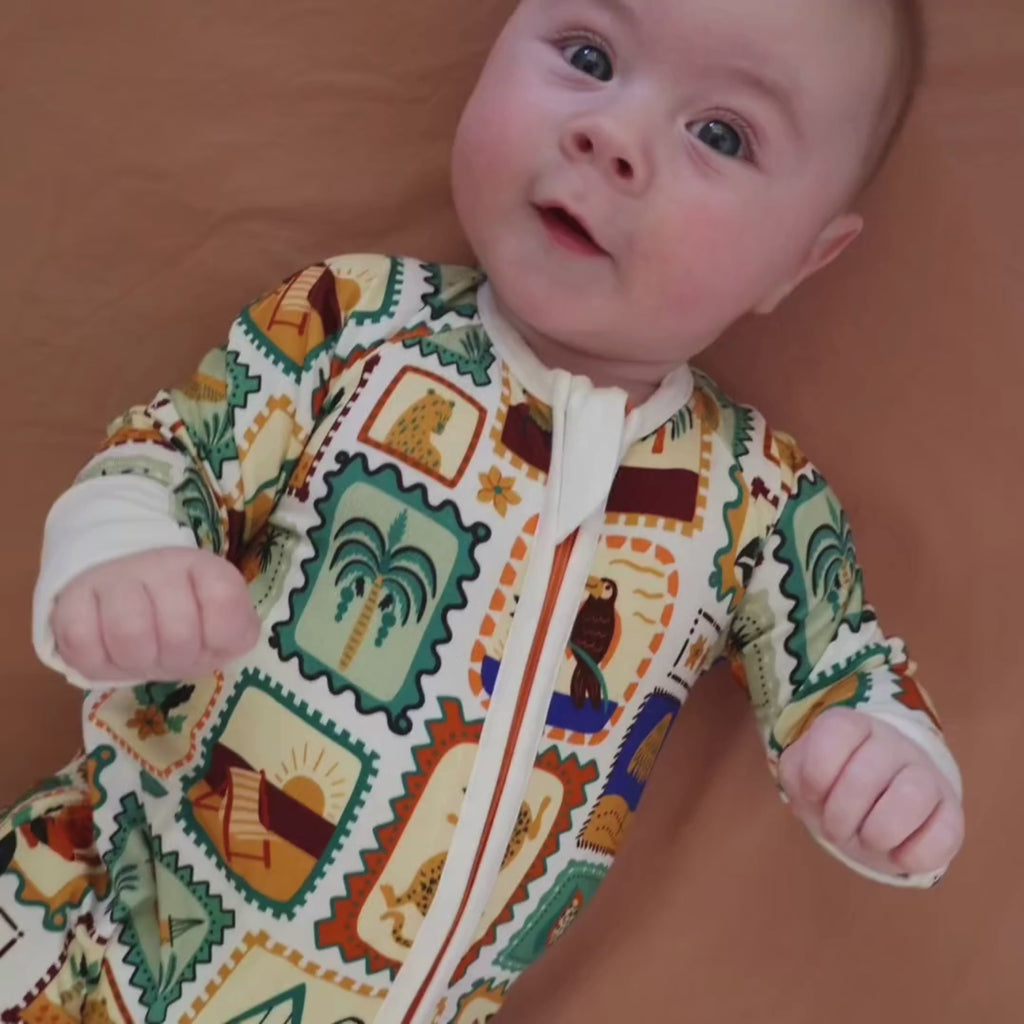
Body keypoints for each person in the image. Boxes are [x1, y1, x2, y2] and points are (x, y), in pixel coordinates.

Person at [0, 0, 964, 1021]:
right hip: (81, 930)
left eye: (720, 135)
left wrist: (885, 764)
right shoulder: (353, 323)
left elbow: (842, 670)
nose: (612, 135)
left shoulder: (754, 496)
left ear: (800, 260)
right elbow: (171, 455)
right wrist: (120, 556)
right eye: (588, 54)